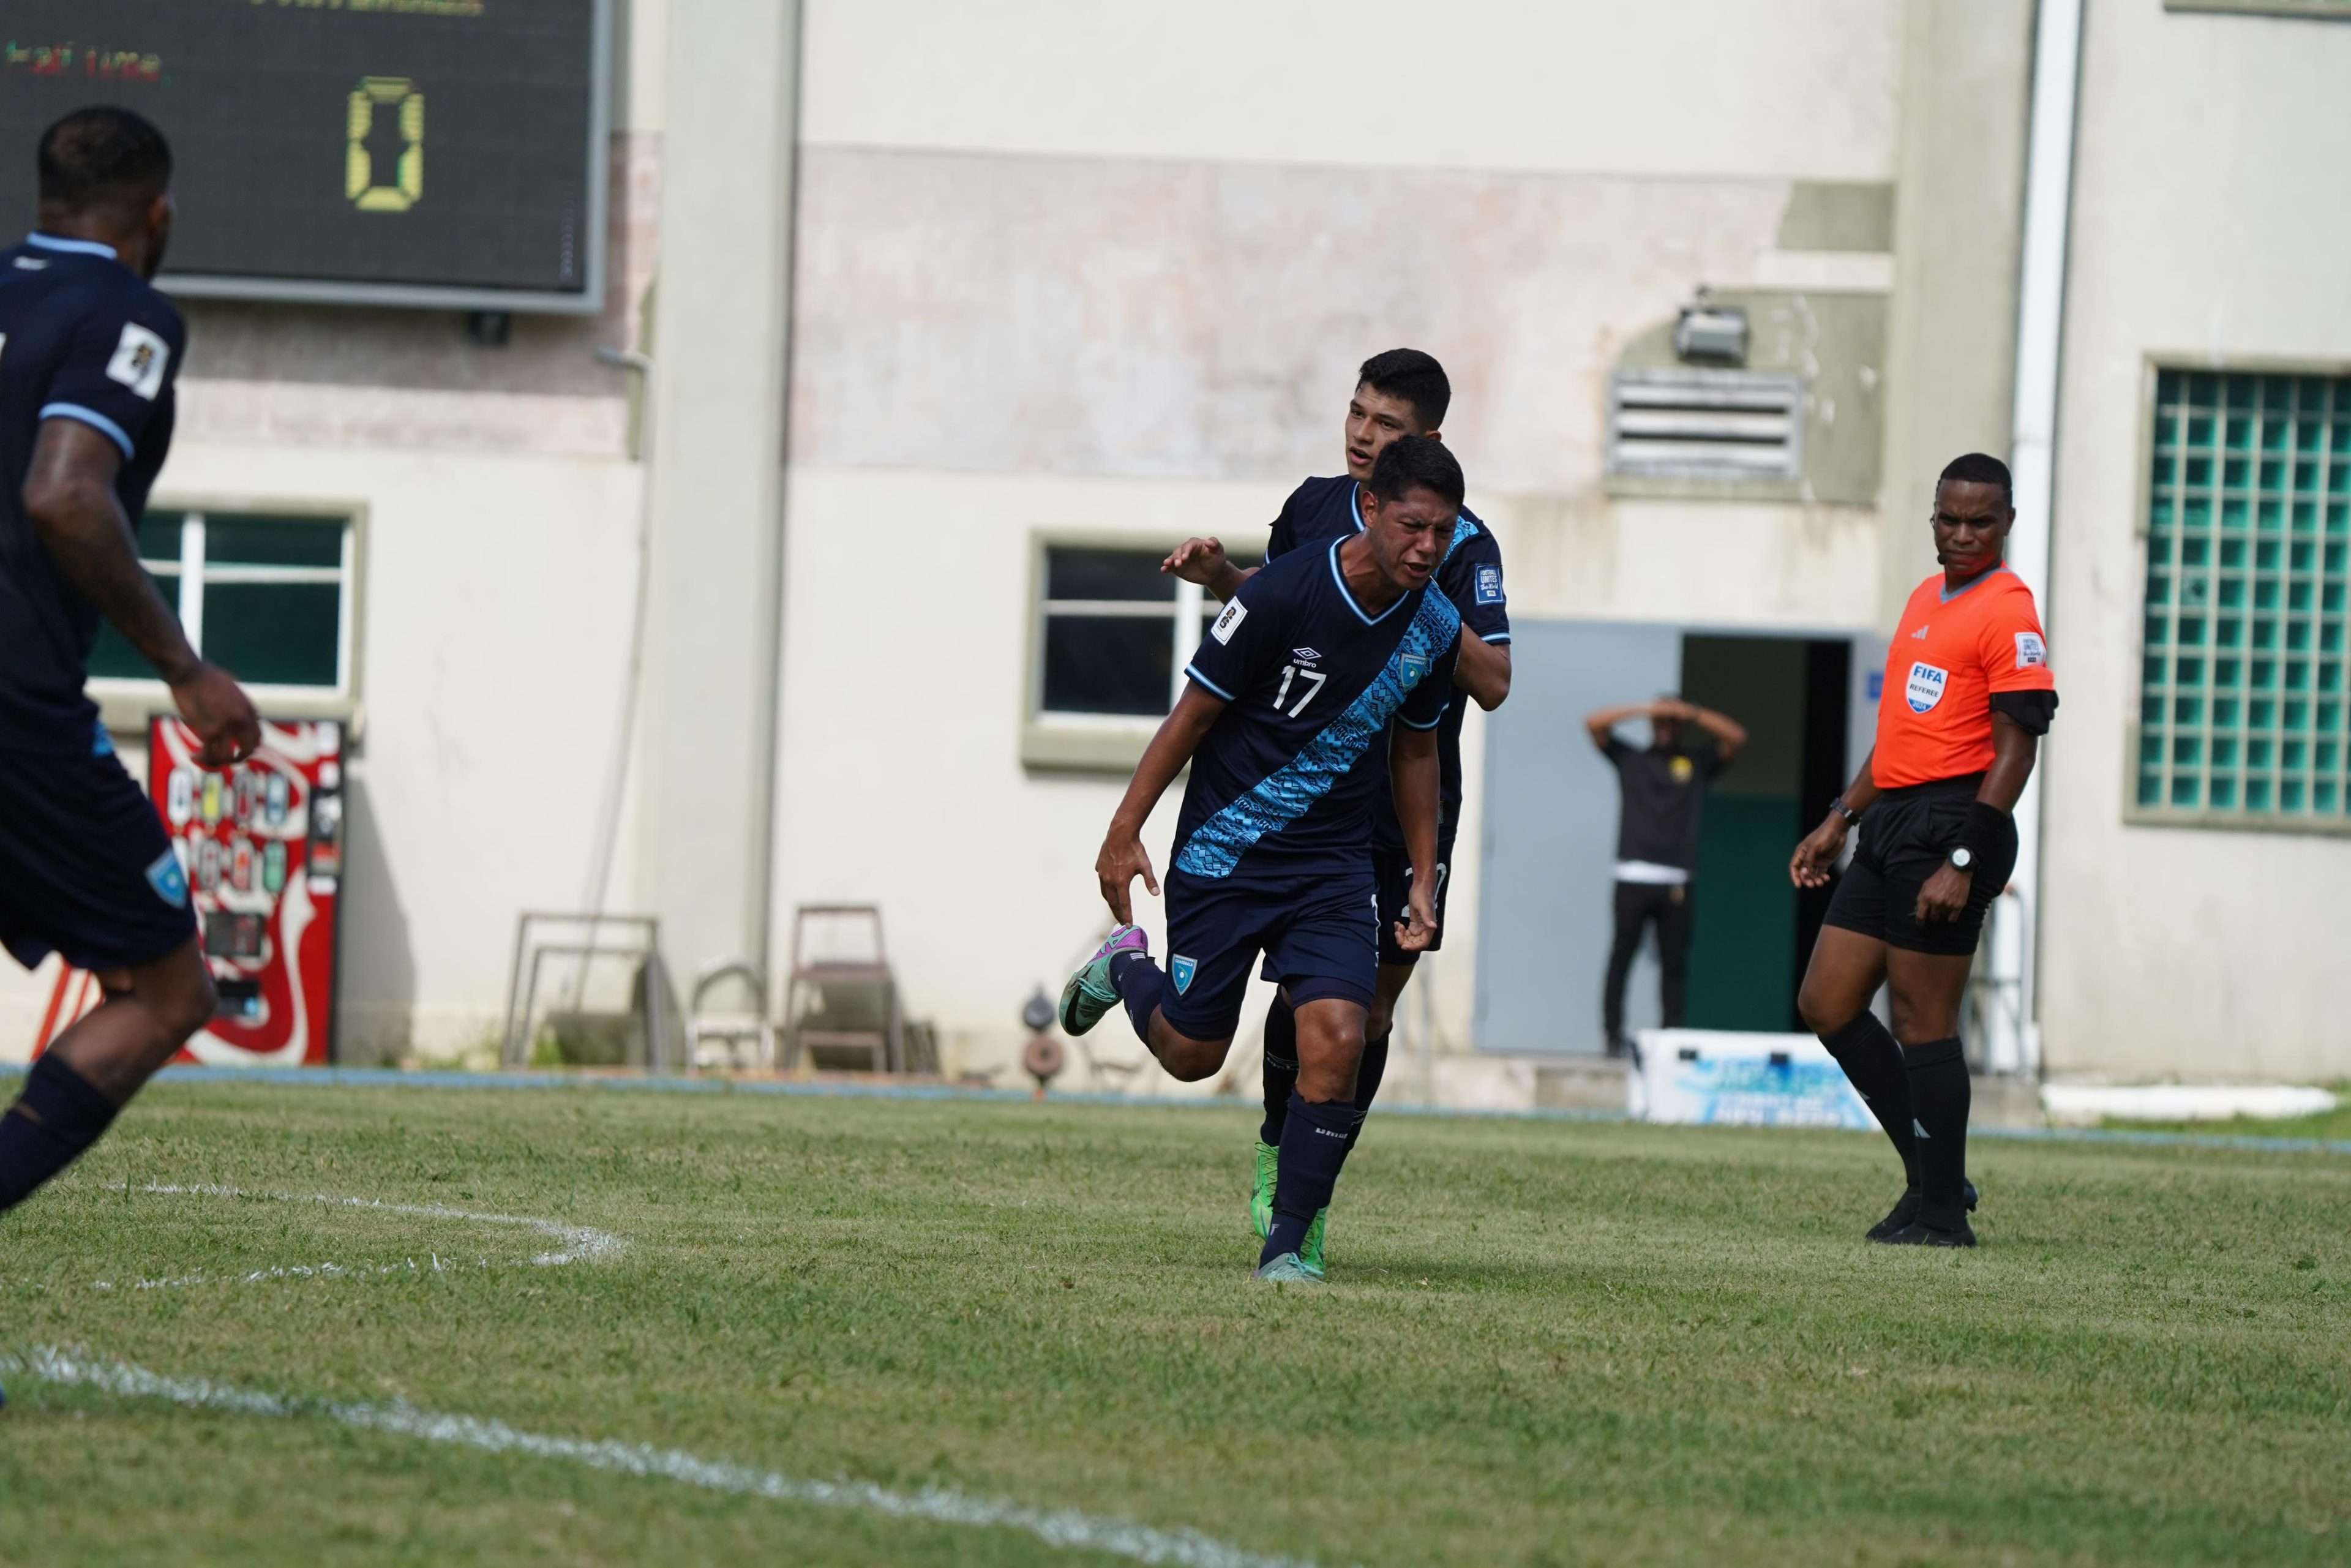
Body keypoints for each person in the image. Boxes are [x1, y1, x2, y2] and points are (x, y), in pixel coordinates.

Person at [1060, 437, 1466, 1284]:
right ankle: (1126, 965)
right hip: (1227, 849)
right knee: (1191, 1052)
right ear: (1374, 513)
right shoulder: (1285, 591)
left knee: (1341, 1035)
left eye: (1444, 530)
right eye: (1413, 526)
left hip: (1332, 865)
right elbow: (1191, 716)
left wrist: (1422, 878)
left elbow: (1417, 752)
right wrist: (1124, 828)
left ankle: (1289, 1242)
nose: (1428, 546)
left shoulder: (1432, 627)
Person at [1161, 348, 1511, 1273]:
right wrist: (1225, 578)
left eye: (1386, 425)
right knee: (1292, 1010)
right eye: (1356, 414)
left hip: (1402, 791)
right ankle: (1289, 1169)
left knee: (1365, 1014)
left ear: (1425, 443)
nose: (1362, 435)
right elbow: (1285, 625)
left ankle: (1297, 1180)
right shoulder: (1314, 506)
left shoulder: (1458, 540)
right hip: (1291, 791)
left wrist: (1418, 581)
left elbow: (1496, 681)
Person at [0, 110, 260, 1317]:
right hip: (13, 707)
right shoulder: (130, 316)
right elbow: (65, 491)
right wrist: (186, 668)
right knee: (168, 990)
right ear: (156, 217)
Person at [1790, 452, 2056, 1248]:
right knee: (1826, 1003)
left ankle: (1941, 1211)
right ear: (1933, 517)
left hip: (1954, 825)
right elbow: (1906, 733)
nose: (1963, 534)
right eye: (1950, 519)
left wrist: (1967, 860)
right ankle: (1934, 1176)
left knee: (1922, 1021)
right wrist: (1840, 815)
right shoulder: (1923, 598)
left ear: (2006, 522)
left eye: (1981, 521)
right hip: (1891, 820)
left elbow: (2016, 751)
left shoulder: (2011, 612)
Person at [1583, 696, 1747, 1056]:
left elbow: (1736, 738)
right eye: (1661, 722)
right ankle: (1612, 1036)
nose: (1665, 727)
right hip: (1632, 877)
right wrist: (1645, 708)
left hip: (1676, 880)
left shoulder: (1695, 763)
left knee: (1674, 962)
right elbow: (1593, 723)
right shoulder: (1632, 759)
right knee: (1621, 957)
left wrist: (1693, 712)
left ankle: (1671, 1035)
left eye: (1671, 722)